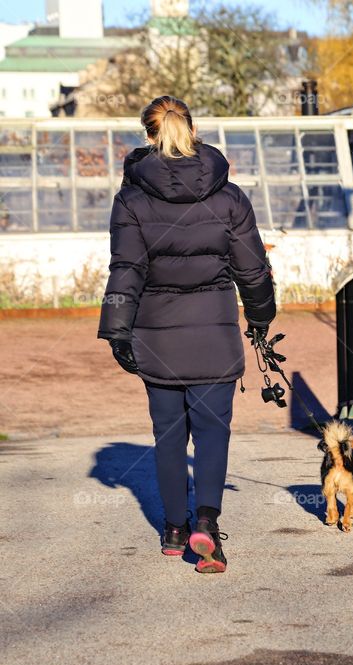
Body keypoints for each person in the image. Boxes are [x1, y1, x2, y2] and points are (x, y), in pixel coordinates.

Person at [97, 95, 275, 574]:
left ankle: (174, 529)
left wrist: (118, 332)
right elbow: (252, 269)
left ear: (149, 135)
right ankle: (208, 526)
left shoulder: (131, 199)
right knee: (213, 436)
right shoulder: (228, 195)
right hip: (214, 335)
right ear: (192, 130)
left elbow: (126, 270)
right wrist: (260, 319)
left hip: (156, 336)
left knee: (169, 436)